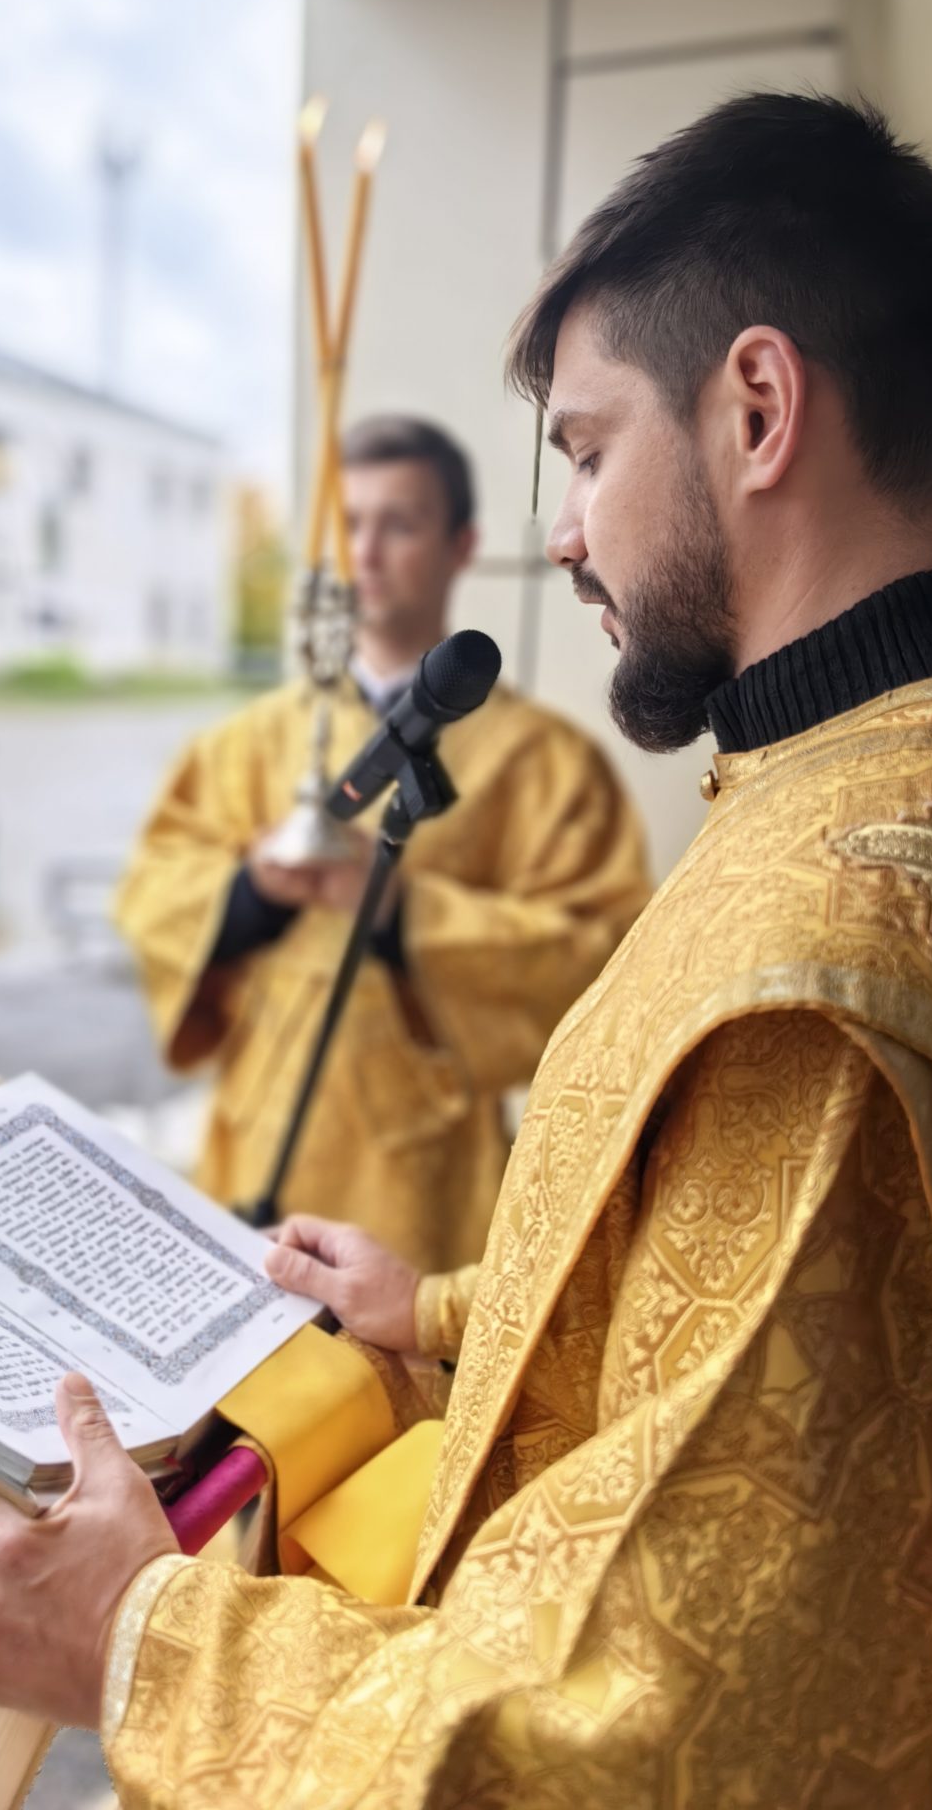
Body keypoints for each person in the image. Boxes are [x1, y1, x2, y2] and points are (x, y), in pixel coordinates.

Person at [0, 94, 932, 1804]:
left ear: (759, 410)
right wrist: (446, 1313)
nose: (568, 531)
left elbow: (655, 1734)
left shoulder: (836, 955)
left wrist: (136, 1643)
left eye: (590, 452)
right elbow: (731, 1301)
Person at [114, 414, 649, 1268]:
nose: (365, 552)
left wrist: (402, 910)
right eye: (350, 524)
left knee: (403, 1353)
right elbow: (154, 889)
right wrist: (252, 893)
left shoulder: (545, 762)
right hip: (257, 1140)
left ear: (460, 544)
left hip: (423, 1176)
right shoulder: (248, 742)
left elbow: (601, 958)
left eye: (398, 524)